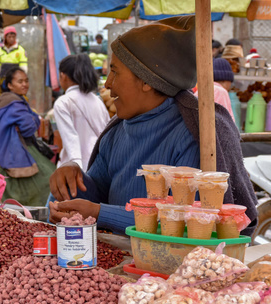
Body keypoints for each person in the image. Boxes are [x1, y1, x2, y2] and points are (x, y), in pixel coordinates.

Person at [48, 16, 257, 237]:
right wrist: (72, 178)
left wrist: (101, 213)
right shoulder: (118, 131)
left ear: (147, 81)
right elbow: (99, 190)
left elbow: (189, 218)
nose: (108, 83)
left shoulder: (192, 134)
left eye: (115, 71)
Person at [0, 67, 55, 206]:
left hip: (9, 152)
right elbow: (28, 128)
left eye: (26, 81)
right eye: (19, 81)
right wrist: (36, 119)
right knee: (47, 180)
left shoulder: (7, 101)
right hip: (20, 149)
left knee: (12, 190)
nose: (24, 84)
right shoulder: (15, 104)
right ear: (9, 85)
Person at [54, 54, 110, 170]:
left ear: (63, 76)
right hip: (100, 165)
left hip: (77, 169)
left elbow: (71, 139)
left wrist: (79, 170)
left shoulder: (63, 102)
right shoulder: (97, 100)